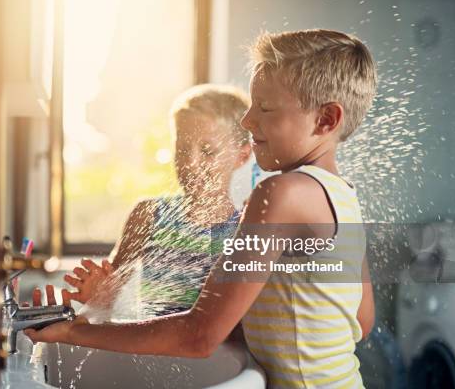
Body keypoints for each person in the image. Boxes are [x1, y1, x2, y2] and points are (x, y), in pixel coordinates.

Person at [25, 29, 377, 388]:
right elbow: (361, 322)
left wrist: (74, 331)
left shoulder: (279, 194)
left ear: (326, 120)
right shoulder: (342, 195)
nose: (247, 120)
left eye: (265, 108)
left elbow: (199, 336)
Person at [64, 84, 252, 318]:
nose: (190, 163)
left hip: (214, 354)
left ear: (242, 156)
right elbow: (106, 295)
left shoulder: (245, 231)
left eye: (207, 150)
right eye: (182, 148)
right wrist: (98, 295)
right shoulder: (150, 215)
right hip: (149, 352)